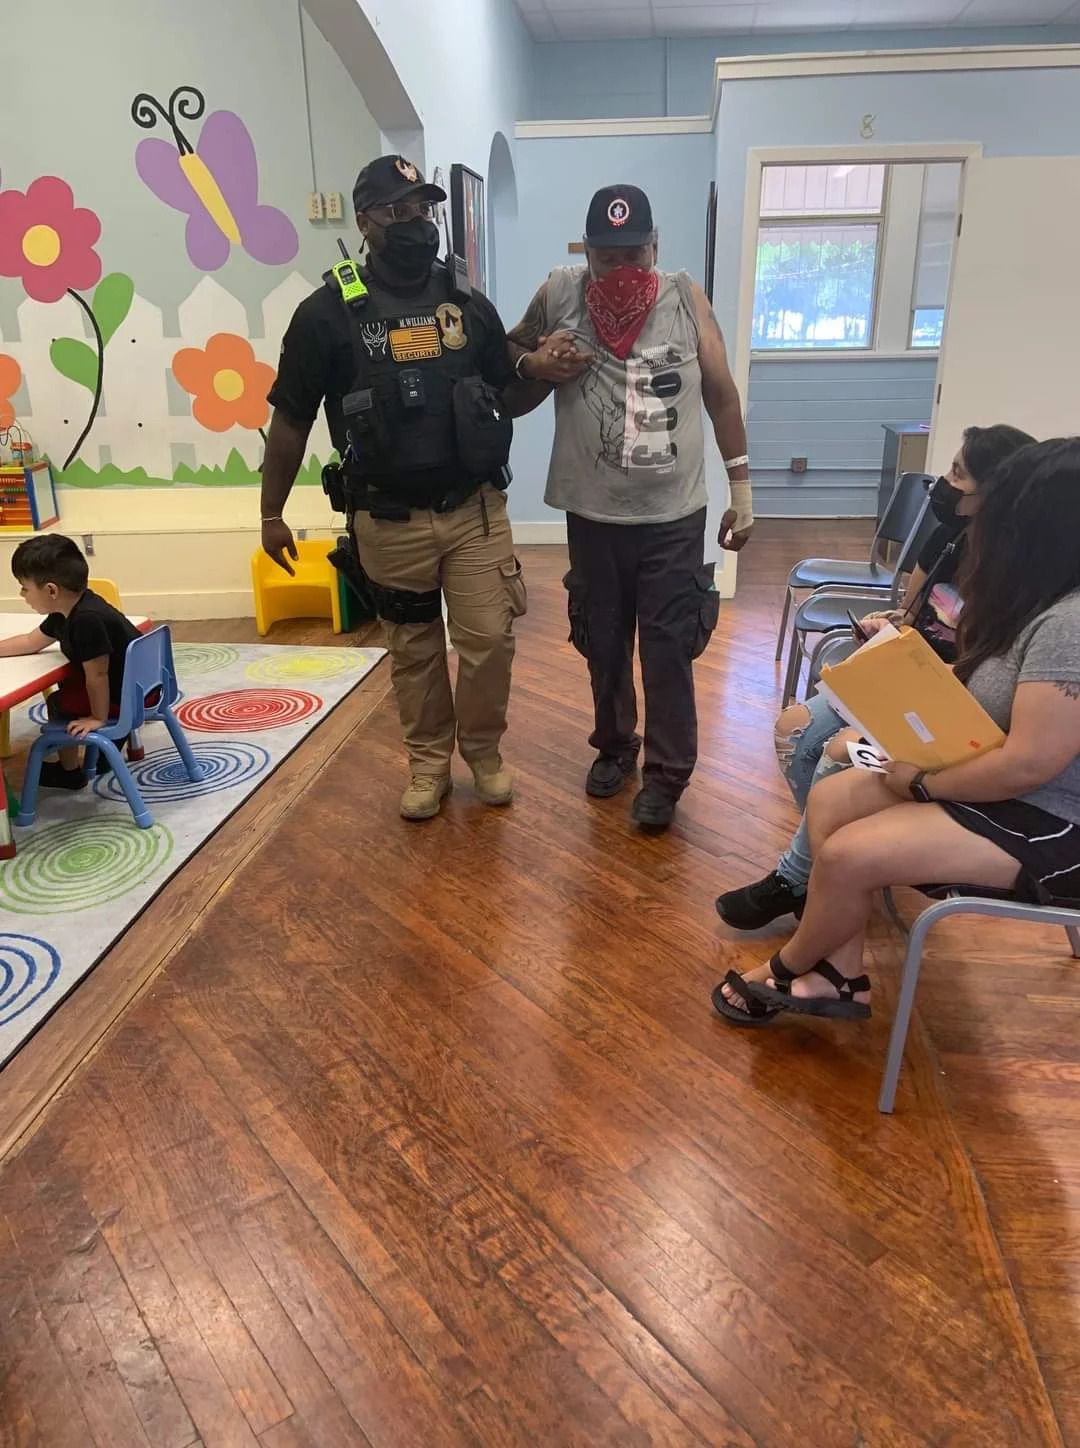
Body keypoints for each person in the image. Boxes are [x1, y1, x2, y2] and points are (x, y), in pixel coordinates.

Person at [714, 436, 1080, 1026]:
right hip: (1002, 791)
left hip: (1049, 823)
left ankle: (787, 968)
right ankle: (838, 972)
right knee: (835, 795)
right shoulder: (1039, 600)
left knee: (848, 855)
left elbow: (1031, 765)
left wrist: (924, 782)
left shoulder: (1070, 622)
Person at [260, 155, 533, 821]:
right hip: (386, 519)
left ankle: (485, 754)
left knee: (489, 642)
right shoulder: (325, 314)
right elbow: (291, 420)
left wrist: (545, 372)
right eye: (400, 211)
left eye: (424, 209)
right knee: (412, 652)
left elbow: (508, 389)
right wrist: (270, 513)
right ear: (366, 221)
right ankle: (428, 766)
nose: (418, 223)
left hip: (473, 511)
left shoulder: (465, 303)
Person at [506, 184, 754, 832]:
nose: (621, 270)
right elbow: (504, 361)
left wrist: (744, 493)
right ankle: (615, 747)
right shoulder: (559, 292)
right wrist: (536, 362)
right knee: (604, 642)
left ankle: (668, 777)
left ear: (655, 245)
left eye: (633, 253)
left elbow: (722, 396)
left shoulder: (683, 296)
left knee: (668, 647)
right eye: (606, 256)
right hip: (591, 512)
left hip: (673, 514)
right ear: (586, 250)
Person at [2, 534, 140, 789]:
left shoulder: (87, 620)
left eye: (24, 587)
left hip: (130, 696)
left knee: (59, 701)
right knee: (70, 687)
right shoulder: (68, 610)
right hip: (136, 684)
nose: (22, 594)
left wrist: (97, 718)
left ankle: (70, 771)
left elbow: (98, 676)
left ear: (51, 590)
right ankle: (97, 754)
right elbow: (30, 642)